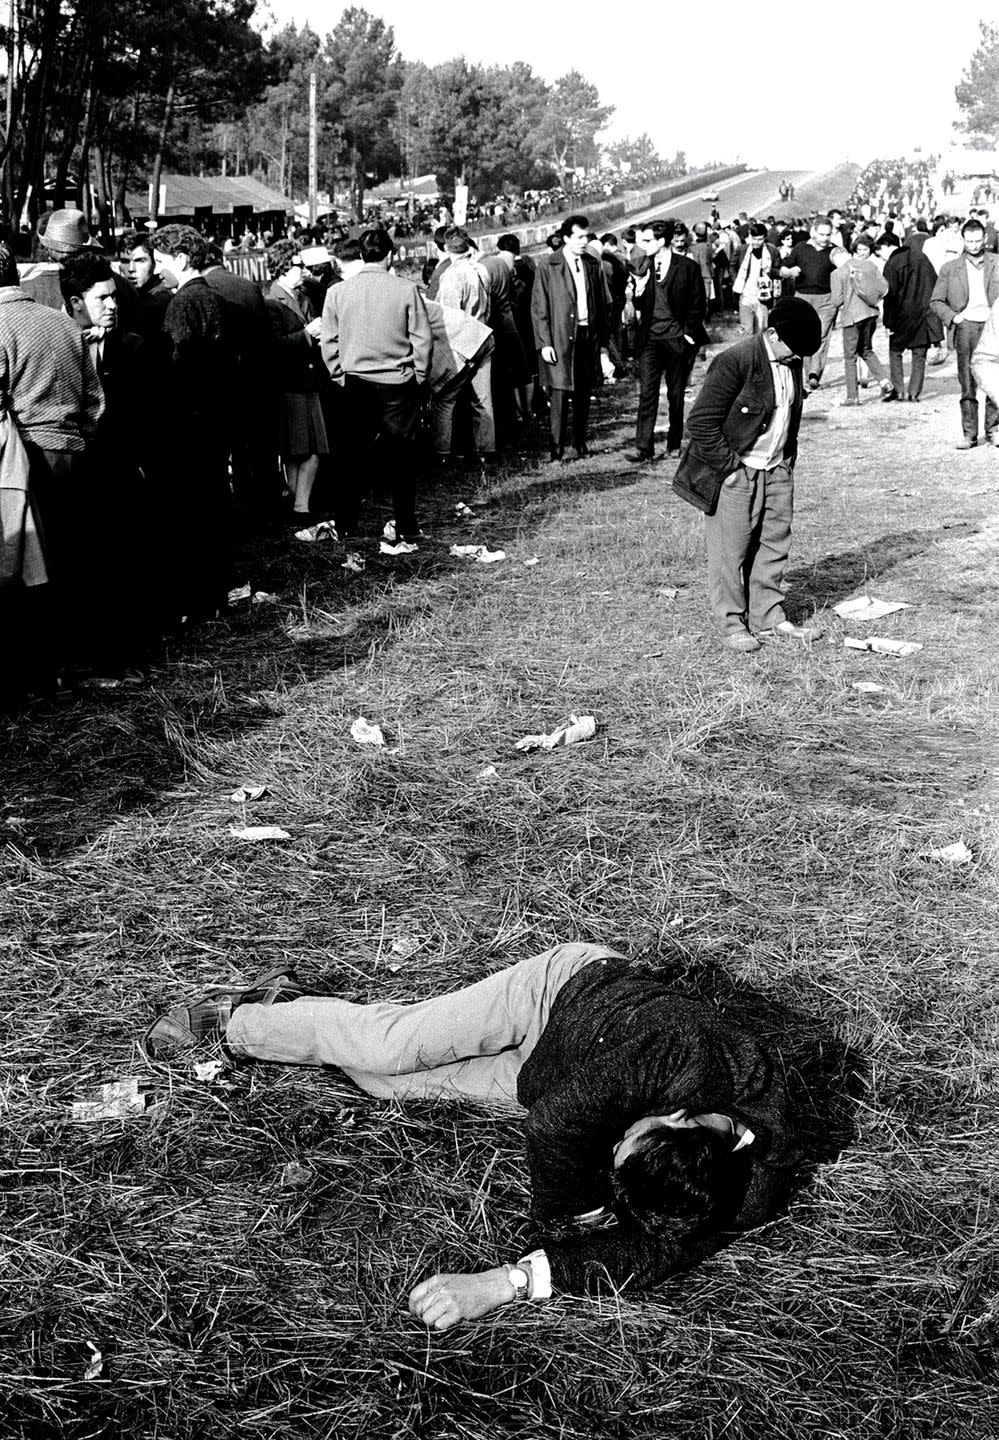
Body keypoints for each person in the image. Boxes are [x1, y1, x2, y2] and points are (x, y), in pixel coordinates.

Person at [143, 942, 800, 1328]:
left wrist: (504, 1282)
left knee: (383, 1083)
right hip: (554, 996)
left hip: (545, 1072)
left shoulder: (742, 1189)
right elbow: (557, 1125)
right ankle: (233, 1020)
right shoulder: (687, 1053)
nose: (616, 1136)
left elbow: (655, 1254)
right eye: (629, 1136)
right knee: (389, 1045)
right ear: (684, 1115)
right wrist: (568, 1219)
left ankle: (303, 1016)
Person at [672, 297, 822, 654]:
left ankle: (768, 616)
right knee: (731, 550)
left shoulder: (791, 358)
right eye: (792, 349)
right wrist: (731, 470)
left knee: (774, 543)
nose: (796, 357)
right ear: (771, 333)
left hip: (777, 468)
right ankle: (730, 623)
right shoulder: (735, 361)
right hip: (738, 471)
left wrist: (786, 461)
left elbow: (782, 408)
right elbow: (701, 423)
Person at [320, 227, 432, 547]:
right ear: (391, 254)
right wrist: (419, 377)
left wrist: (339, 375)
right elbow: (422, 339)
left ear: (360, 255)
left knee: (350, 457)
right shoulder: (407, 289)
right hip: (398, 383)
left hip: (354, 383)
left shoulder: (338, 292)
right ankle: (407, 525)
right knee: (402, 458)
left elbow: (329, 342)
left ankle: (346, 525)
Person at [153, 224, 233, 622]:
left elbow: (177, 367)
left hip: (190, 423)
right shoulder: (215, 296)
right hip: (216, 419)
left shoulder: (182, 303)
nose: (157, 269)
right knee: (213, 505)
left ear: (181, 259)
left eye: (161, 261)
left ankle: (196, 599)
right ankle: (215, 593)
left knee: (192, 511)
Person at [625, 220, 707, 464]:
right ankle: (644, 448)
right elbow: (640, 305)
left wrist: (687, 334)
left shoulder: (688, 267)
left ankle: (673, 443)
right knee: (647, 393)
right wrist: (637, 293)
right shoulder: (642, 266)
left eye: (648, 240)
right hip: (649, 340)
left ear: (662, 241)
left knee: (675, 394)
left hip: (676, 340)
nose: (643, 245)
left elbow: (698, 303)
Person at [531, 214, 610, 462]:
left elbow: (601, 303)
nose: (584, 241)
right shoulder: (548, 266)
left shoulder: (593, 264)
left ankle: (580, 442)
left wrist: (603, 344)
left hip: (587, 335)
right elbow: (539, 308)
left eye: (586, 236)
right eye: (579, 237)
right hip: (559, 337)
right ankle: (556, 447)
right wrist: (545, 343)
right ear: (565, 238)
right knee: (560, 392)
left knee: (584, 390)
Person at [264, 239, 329, 529]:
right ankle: (300, 508)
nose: (304, 270)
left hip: (305, 380)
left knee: (300, 449)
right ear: (282, 268)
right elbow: (272, 347)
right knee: (307, 449)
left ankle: (296, 506)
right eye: (298, 265)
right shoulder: (271, 302)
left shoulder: (301, 295)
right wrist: (306, 333)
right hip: (292, 383)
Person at [930, 219, 999, 448]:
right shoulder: (950, 268)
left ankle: (993, 430)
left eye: (978, 240)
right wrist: (954, 318)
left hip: (993, 327)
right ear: (963, 240)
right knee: (967, 382)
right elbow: (936, 301)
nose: (974, 245)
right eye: (969, 241)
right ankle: (969, 434)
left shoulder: (997, 262)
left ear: (985, 239)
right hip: (966, 327)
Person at [877, 232, 941, 406]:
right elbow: (935, 283)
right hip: (923, 314)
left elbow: (889, 296)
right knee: (919, 354)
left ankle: (898, 390)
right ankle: (913, 393)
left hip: (901, 316)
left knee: (895, 352)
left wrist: (888, 322)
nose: (880, 255)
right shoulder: (922, 257)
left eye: (880, 251)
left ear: (887, 246)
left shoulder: (892, 263)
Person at [829, 235, 892, 405]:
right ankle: (885, 382)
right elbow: (883, 287)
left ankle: (852, 396)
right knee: (866, 350)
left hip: (852, 318)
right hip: (871, 314)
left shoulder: (837, 273)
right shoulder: (870, 265)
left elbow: (837, 301)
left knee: (850, 357)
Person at [779, 217, 837, 389]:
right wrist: (789, 272)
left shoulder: (834, 251)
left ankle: (814, 373)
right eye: (822, 234)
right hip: (802, 298)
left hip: (826, 300)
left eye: (828, 234)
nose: (825, 238)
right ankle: (807, 371)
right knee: (804, 335)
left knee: (821, 336)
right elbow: (783, 268)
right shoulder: (800, 248)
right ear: (813, 232)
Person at [731, 224, 780, 337]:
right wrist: (736, 282)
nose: (756, 242)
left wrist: (769, 271)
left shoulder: (773, 251)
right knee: (747, 330)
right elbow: (732, 266)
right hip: (745, 296)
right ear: (750, 236)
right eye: (754, 239)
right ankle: (748, 354)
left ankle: (759, 354)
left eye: (760, 239)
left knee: (761, 330)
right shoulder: (742, 249)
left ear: (765, 238)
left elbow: (777, 272)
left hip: (763, 297)